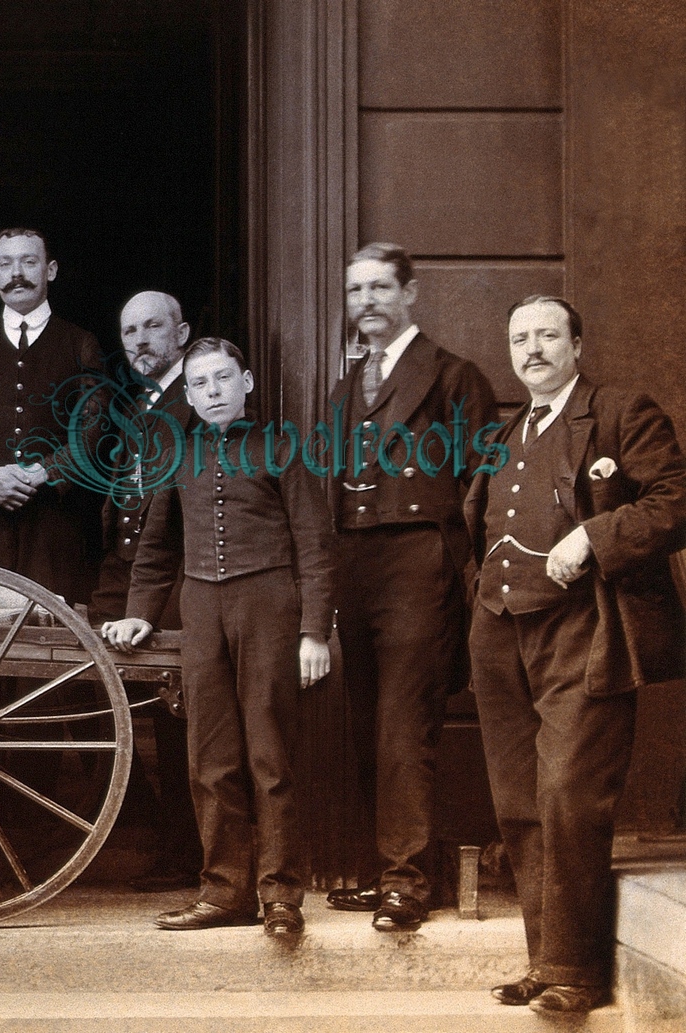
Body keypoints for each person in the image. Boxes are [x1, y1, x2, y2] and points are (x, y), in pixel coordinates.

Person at [467, 296, 686, 1014]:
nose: (533, 349)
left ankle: (579, 973)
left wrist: (595, 536)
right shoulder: (504, 433)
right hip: (501, 635)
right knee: (522, 802)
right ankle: (548, 960)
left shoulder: (622, 413)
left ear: (577, 345)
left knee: (568, 797)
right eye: (520, 338)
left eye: (547, 335)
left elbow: (677, 499)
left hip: (583, 634)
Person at [103, 337, 335, 939]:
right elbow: (156, 550)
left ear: (247, 383)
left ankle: (281, 896)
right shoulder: (177, 455)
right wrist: (141, 615)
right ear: (188, 393)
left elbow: (315, 547)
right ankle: (224, 891)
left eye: (223, 379)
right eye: (200, 383)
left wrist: (314, 633)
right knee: (210, 756)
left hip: (270, 606)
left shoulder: (282, 448)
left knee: (269, 752)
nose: (212, 392)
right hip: (201, 606)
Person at [326, 242, 497, 930]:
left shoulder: (455, 376)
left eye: (378, 289)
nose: (365, 302)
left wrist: (457, 567)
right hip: (355, 566)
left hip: (420, 560)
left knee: (405, 722)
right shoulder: (345, 389)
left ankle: (408, 881)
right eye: (355, 291)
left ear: (410, 293)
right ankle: (383, 869)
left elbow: (481, 481)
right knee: (367, 720)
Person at [88, 291, 203, 894]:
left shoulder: (199, 394)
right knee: (118, 715)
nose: (140, 341)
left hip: (180, 582)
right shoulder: (142, 403)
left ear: (180, 331)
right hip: (131, 576)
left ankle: (188, 855)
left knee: (180, 723)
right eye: (130, 330)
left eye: (153, 327)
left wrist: (155, 603)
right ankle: (166, 843)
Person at [0, 227, 104, 603]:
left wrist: (43, 472)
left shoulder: (81, 344)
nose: (17, 273)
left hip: (54, 527)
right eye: (6, 263)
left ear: (51, 270)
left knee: (54, 638)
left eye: (29, 261)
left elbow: (93, 429)